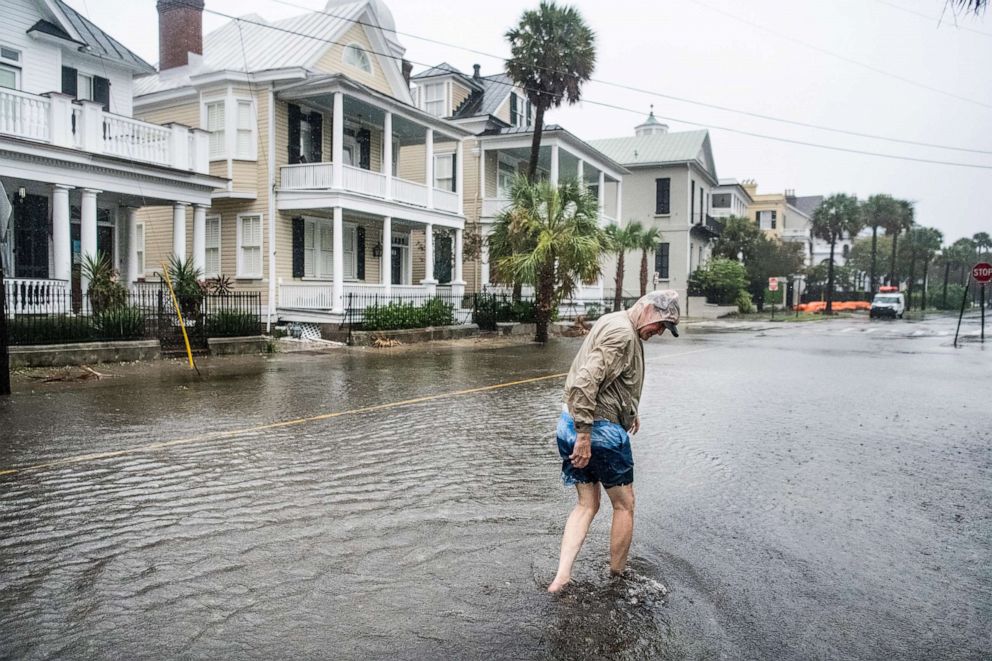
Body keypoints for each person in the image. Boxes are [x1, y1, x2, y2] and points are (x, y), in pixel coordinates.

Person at [547, 290, 680, 593]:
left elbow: (614, 379)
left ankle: (561, 578)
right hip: (597, 431)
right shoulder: (622, 335)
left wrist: (628, 411)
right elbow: (585, 383)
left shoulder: (615, 320)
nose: (659, 332)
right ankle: (618, 577)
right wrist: (585, 437)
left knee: (586, 503)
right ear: (646, 310)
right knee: (624, 506)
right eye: (660, 324)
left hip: (568, 423)